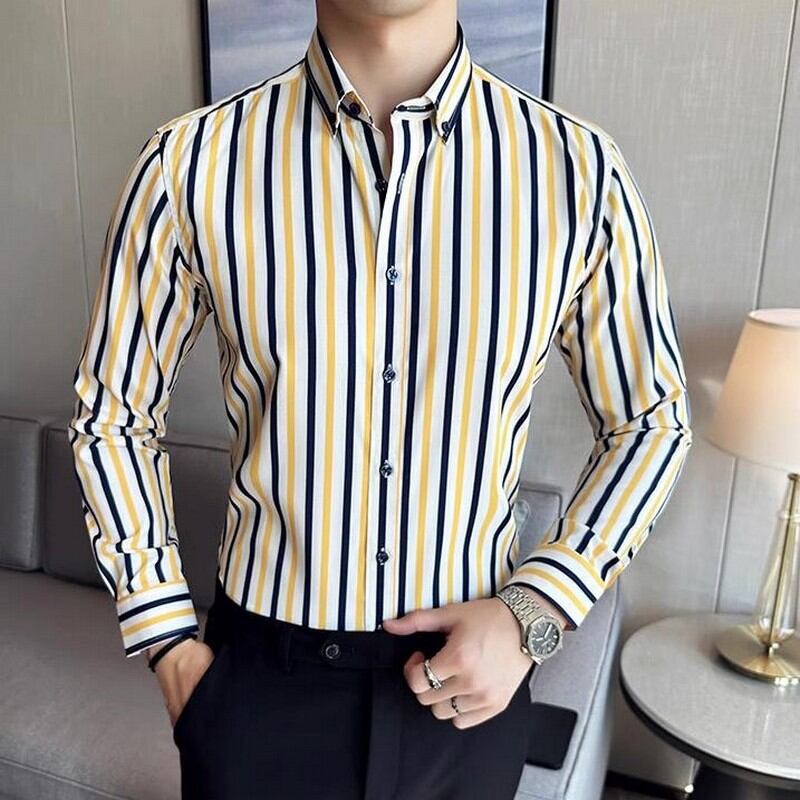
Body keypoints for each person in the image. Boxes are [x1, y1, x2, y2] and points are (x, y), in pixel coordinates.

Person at [67, 0, 693, 797]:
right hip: (258, 689)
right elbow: (112, 417)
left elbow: (651, 420)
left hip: (467, 693)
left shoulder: (578, 172)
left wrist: (536, 611)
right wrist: (167, 642)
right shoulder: (190, 163)